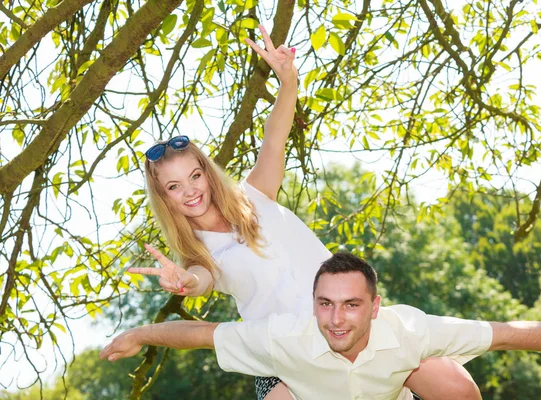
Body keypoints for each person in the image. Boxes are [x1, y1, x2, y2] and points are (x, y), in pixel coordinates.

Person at [134, 24, 481, 400]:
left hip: (351, 329)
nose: (189, 191)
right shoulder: (199, 254)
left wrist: (288, 81)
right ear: (164, 198)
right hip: (285, 357)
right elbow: (200, 279)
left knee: (457, 387)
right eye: (174, 186)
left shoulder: (256, 196)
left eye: (194, 176)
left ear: (207, 173)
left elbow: (275, 135)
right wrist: (186, 283)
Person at [101, 252, 541, 399]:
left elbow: (513, 331)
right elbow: (202, 337)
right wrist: (139, 334)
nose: (336, 319)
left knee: (459, 389)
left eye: (351, 305)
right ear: (313, 304)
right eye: (325, 304)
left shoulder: (409, 330)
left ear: (376, 306)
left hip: (392, 390)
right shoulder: (285, 337)